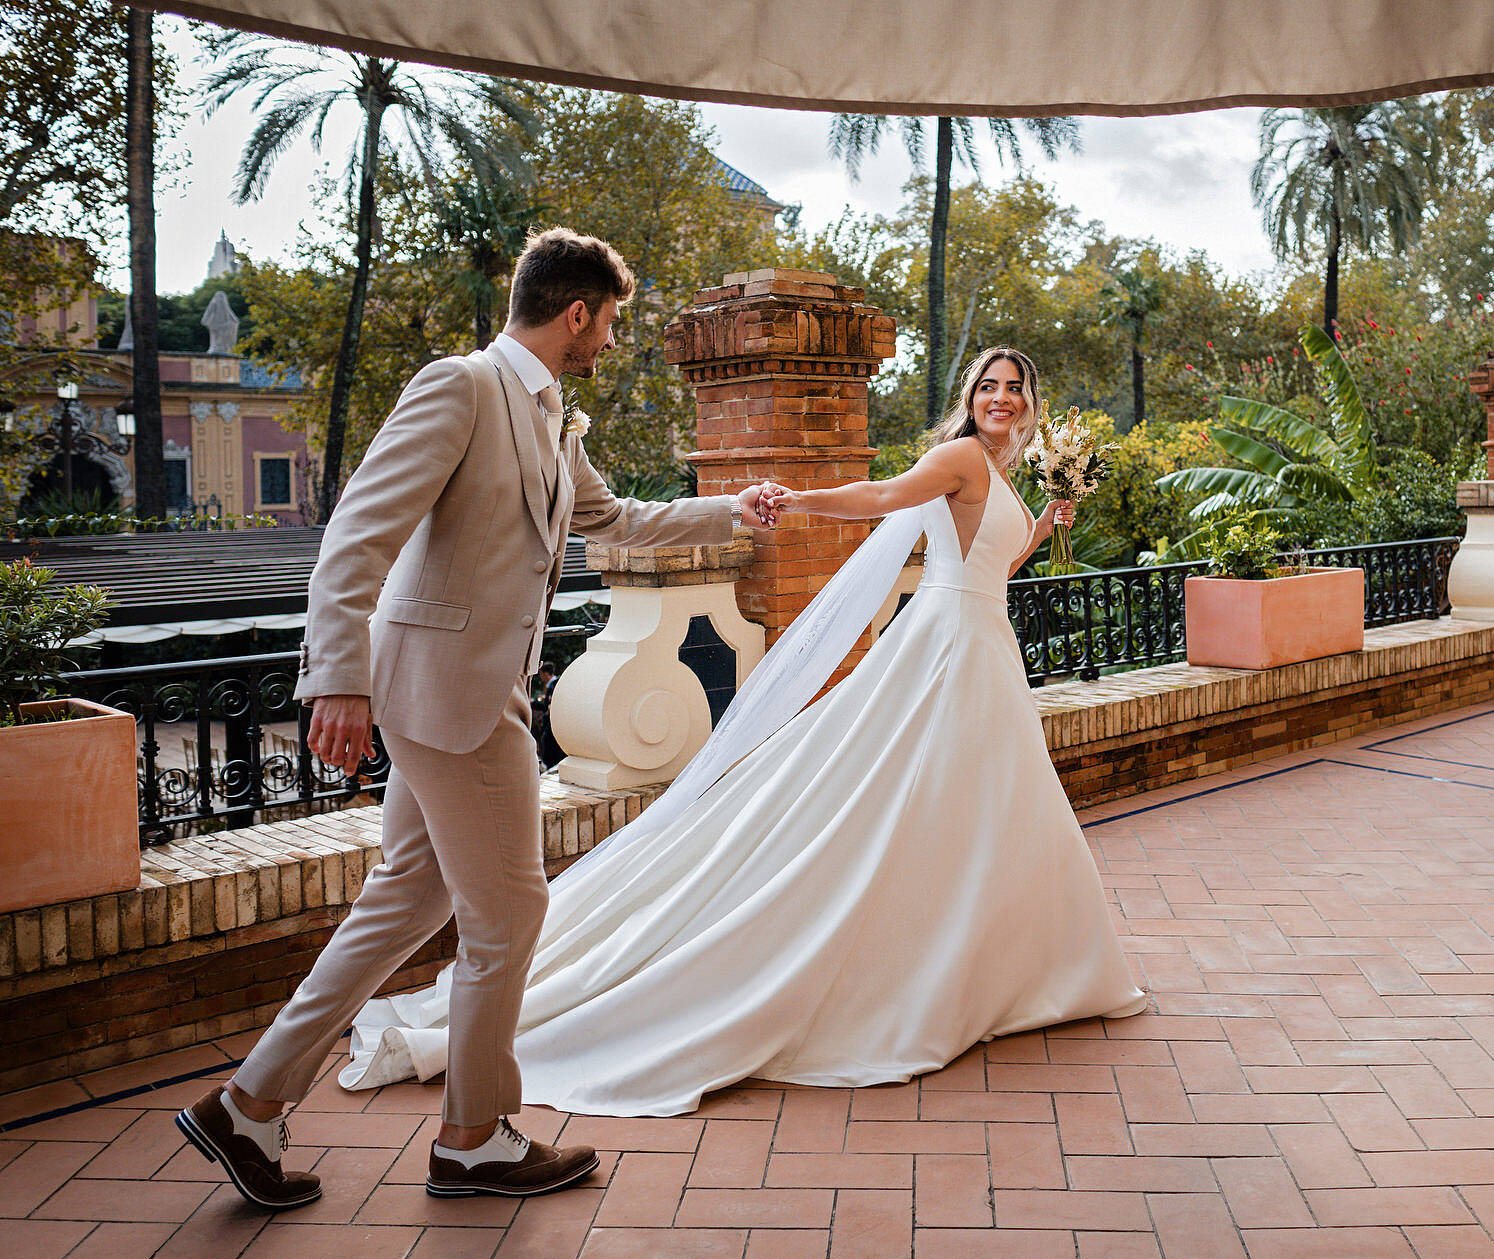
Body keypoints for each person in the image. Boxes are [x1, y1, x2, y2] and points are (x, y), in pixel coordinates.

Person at [328, 345, 1146, 1121]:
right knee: (913, 803)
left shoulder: (998, 475)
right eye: (987, 387)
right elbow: (880, 496)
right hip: (950, 651)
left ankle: (986, 967)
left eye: (1013, 389)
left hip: (982, 646)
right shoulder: (964, 457)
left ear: (1031, 405)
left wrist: (1041, 526)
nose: (999, 399)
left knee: (979, 809)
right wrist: (801, 500)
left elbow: (987, 568)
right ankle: (937, 974)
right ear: (971, 399)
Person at [174, 228, 785, 1209]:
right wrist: (337, 678)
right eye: (610, 322)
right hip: (449, 698)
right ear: (576, 312)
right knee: (511, 910)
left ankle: (246, 1105)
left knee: (404, 903)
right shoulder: (461, 386)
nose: (610, 342)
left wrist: (732, 515)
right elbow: (357, 534)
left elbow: (615, 519)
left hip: (455, 695)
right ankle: (471, 1137)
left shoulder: (550, 419)